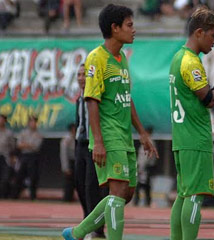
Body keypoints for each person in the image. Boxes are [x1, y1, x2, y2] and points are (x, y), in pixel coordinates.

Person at [62, 4, 158, 240]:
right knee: (116, 193)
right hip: (109, 135)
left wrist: (142, 133)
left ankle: (77, 232)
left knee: (127, 193)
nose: (133, 30)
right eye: (129, 25)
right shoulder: (96, 58)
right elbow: (91, 100)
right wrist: (100, 142)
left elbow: (126, 98)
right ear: (115, 28)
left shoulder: (122, 57)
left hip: (125, 136)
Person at [169, 6, 214, 240]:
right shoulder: (191, 62)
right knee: (195, 195)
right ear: (198, 33)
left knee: (183, 195)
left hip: (181, 137)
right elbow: (208, 99)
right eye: (212, 35)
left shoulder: (177, 57)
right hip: (195, 138)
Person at [74, 63, 108, 239]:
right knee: (79, 183)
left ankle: (95, 227)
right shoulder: (79, 98)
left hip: (92, 144)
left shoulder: (95, 97)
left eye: (84, 74)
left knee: (91, 186)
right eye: (79, 74)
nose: (81, 77)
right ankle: (87, 220)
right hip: (79, 144)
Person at [13, 116, 44, 200]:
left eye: (34, 122)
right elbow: (19, 145)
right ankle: (15, 195)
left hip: (33, 157)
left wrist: (25, 144)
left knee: (33, 176)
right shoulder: (23, 133)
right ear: (28, 123)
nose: (33, 124)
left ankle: (32, 196)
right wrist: (28, 145)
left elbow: (36, 147)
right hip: (24, 156)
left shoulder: (38, 134)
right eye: (31, 122)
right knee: (19, 175)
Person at [133, 126, 157, 207]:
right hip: (145, 167)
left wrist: (141, 168)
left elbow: (145, 156)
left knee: (141, 184)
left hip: (145, 167)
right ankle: (146, 201)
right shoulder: (150, 141)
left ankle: (139, 201)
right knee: (146, 185)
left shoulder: (148, 142)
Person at [60, 123, 76, 202]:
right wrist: (65, 167)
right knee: (68, 182)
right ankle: (67, 198)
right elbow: (63, 154)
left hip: (76, 162)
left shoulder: (77, 138)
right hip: (70, 162)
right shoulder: (67, 139)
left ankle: (72, 197)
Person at [0, 114, 15, 198]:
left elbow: (12, 146)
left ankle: (3, 195)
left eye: (1, 119)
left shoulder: (8, 133)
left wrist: (12, 157)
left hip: (5, 157)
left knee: (5, 177)